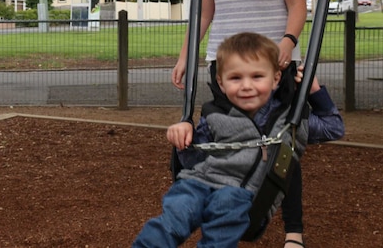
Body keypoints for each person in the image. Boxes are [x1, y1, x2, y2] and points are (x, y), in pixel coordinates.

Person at [170, 0, 313, 248]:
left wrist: (287, 42)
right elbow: (203, 14)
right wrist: (186, 55)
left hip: (272, 65)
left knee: (283, 144)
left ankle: (293, 230)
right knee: (221, 142)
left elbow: (298, 4)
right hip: (226, 65)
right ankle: (224, 216)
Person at [133, 32, 312, 248]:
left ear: (275, 79)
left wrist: (316, 91)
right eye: (236, 78)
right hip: (197, 184)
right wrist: (183, 135)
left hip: (236, 194)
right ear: (221, 82)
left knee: (226, 209)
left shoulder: (287, 118)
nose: (246, 86)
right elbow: (194, 159)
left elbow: (333, 127)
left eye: (257, 77)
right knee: (173, 218)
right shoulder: (215, 114)